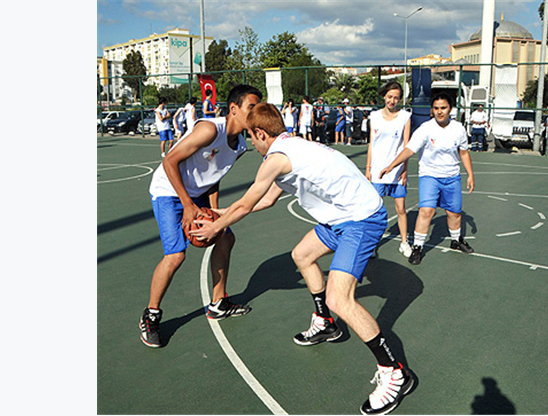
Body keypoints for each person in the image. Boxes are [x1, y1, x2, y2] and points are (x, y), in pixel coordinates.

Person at [190, 103, 415, 416]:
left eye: (251, 137)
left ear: (260, 133)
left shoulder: (277, 158)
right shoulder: (291, 147)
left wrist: (215, 226)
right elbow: (267, 199)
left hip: (361, 219)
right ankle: (325, 323)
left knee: (340, 298)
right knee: (302, 255)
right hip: (340, 217)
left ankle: (395, 372)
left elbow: (248, 202)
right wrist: (220, 212)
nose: (251, 143)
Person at [139, 84, 262, 348]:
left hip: (196, 194)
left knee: (226, 238)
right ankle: (151, 315)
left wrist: (216, 216)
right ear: (233, 109)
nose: (255, 113)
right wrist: (187, 205)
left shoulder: (240, 145)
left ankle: (218, 303)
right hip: (168, 190)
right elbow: (169, 161)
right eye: (251, 107)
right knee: (175, 255)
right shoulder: (210, 129)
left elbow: (214, 177)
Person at [379, 92, 475, 265]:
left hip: (452, 177)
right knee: (426, 211)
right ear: (432, 110)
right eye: (436, 108)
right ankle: (418, 246)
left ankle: (456, 240)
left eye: (443, 108)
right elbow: (409, 150)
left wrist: (470, 175)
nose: (439, 111)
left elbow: (464, 153)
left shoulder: (458, 128)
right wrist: (392, 165)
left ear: (450, 109)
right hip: (429, 176)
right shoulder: (425, 129)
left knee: (454, 213)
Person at [366, 81, 413, 258]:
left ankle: (404, 242)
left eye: (396, 98)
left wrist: (405, 170)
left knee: (401, 209)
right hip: (377, 171)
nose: (392, 101)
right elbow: (371, 144)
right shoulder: (374, 116)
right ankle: (372, 245)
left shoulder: (405, 117)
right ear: (384, 96)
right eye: (390, 97)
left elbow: (407, 146)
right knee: (375, 210)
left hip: (397, 171)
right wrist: (368, 168)